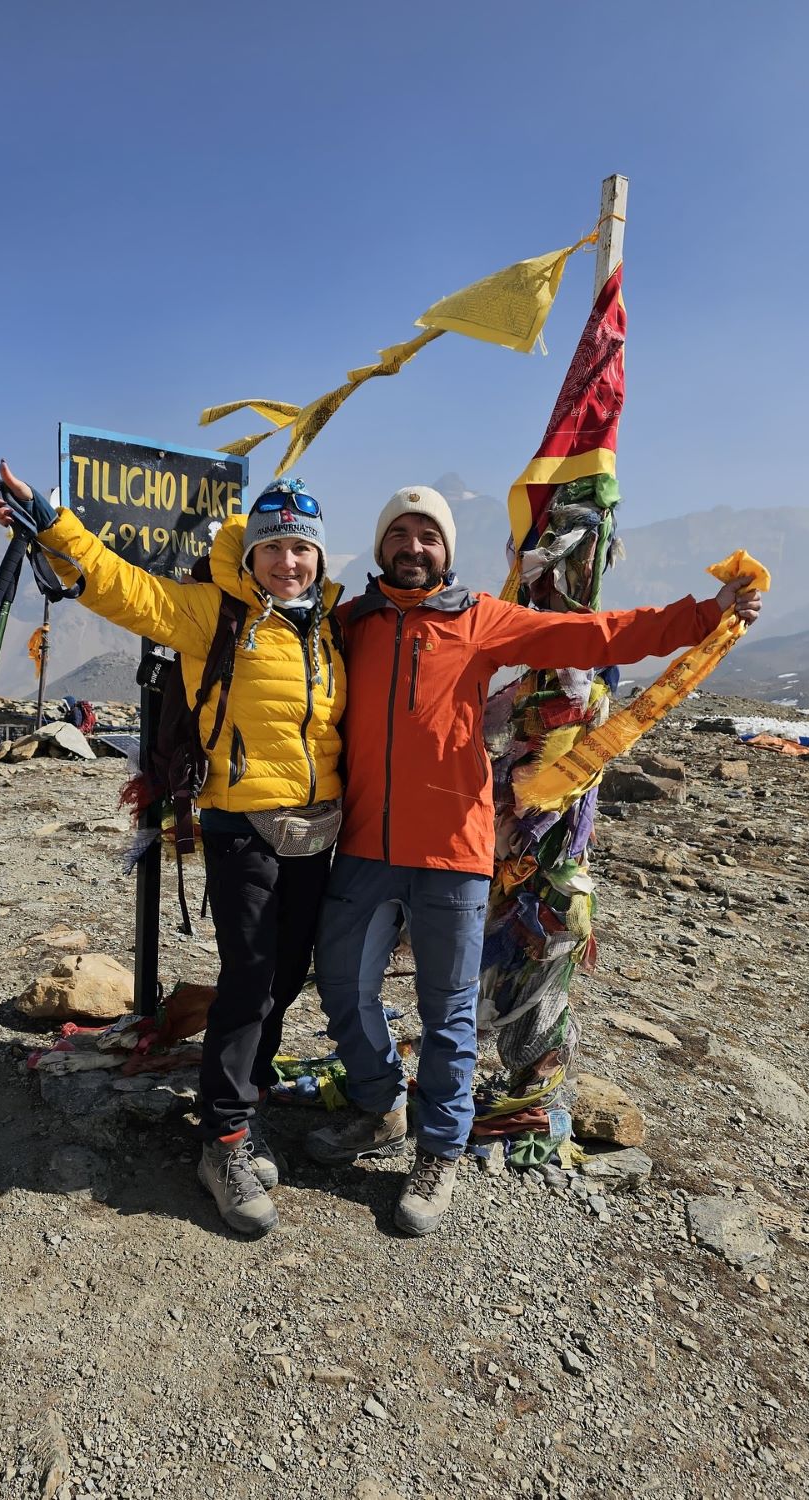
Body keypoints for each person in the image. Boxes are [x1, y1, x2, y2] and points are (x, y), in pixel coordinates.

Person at [305, 485, 762, 1236]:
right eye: (401, 534)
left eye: (428, 536)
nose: (413, 547)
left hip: (453, 851)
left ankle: (439, 1150)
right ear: (381, 545)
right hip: (361, 846)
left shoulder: (479, 618)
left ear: (445, 552)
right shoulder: (350, 624)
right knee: (342, 988)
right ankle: (379, 1103)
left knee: (447, 1011)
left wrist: (703, 616)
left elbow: (593, 635)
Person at [0, 462, 346, 1237]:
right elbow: (125, 589)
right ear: (251, 553)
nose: (288, 561)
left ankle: (244, 1107)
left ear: (319, 554)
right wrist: (54, 526)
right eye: (274, 547)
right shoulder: (212, 612)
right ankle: (223, 1141)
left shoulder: (328, 626)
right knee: (250, 979)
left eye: (302, 548)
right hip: (243, 827)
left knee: (285, 977)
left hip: (316, 831)